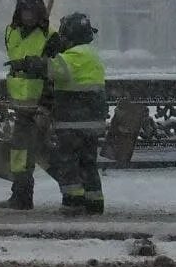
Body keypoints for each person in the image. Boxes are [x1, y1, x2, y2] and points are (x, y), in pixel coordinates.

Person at [7, 12, 107, 216]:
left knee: (68, 161)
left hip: (73, 121)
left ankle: (73, 201)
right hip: (91, 121)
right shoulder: (92, 55)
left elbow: (52, 69)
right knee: (88, 163)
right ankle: (95, 200)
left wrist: (27, 63)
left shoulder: (75, 56)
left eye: (64, 35)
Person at [0, 0, 53, 211]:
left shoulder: (50, 37)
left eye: (31, 11)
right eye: (24, 11)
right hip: (21, 106)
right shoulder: (10, 32)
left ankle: (75, 194)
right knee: (20, 153)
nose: (27, 15)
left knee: (45, 153)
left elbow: (54, 73)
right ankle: (21, 196)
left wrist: (46, 107)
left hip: (40, 106)